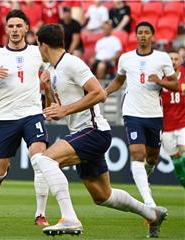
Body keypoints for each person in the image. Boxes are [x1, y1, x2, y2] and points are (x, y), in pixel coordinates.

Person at [33, 23, 168, 238]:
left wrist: (65, 109)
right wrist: (48, 89)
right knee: (103, 196)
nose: (38, 50)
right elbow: (53, 108)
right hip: (81, 132)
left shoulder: (73, 64)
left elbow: (100, 94)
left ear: (44, 45)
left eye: (37, 45)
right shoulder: (52, 70)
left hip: (93, 131)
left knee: (44, 160)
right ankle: (152, 214)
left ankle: (70, 219)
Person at [0, 9, 50, 226]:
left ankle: (40, 214)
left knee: (40, 159)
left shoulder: (38, 53)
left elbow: (53, 71)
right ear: (6, 29)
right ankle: (0, 174)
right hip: (6, 117)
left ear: (27, 28)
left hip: (33, 114)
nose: (15, 30)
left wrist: (49, 80)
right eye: (11, 26)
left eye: (19, 26)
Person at [105, 21, 178, 208]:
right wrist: (105, 92)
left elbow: (175, 85)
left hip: (154, 113)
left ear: (152, 36)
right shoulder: (126, 58)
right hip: (132, 112)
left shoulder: (162, 58)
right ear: (136, 36)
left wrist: (159, 81)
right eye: (140, 33)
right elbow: (118, 80)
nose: (143, 35)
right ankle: (148, 201)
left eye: (146, 32)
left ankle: (146, 179)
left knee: (152, 157)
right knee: (138, 153)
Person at [152, 51, 185, 187]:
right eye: (170, 59)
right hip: (167, 127)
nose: (173, 61)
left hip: (183, 124)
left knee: (184, 156)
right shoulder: (159, 77)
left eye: (176, 59)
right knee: (176, 161)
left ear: (181, 60)